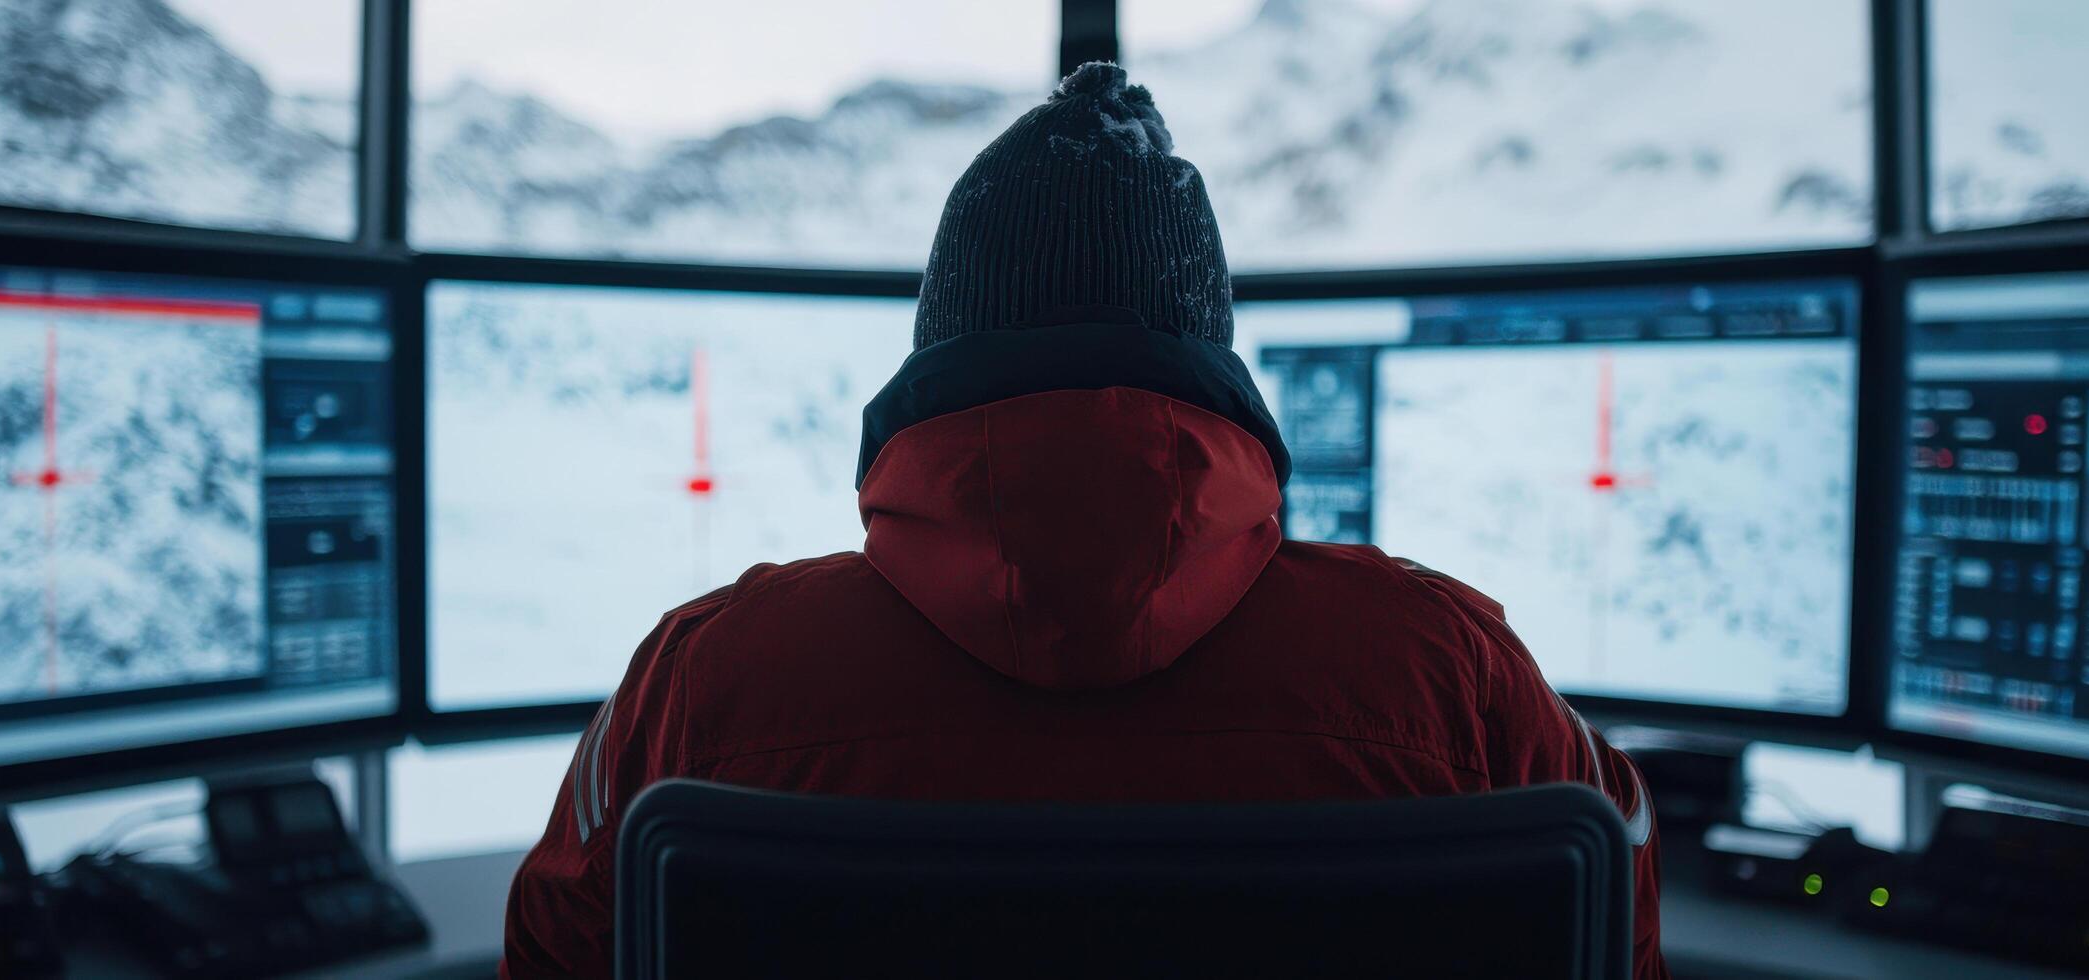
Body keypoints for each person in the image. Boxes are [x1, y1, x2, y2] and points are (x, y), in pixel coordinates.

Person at [502, 62, 1668, 979]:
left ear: (935, 359)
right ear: (1212, 368)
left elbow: (553, 958)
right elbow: (1610, 915)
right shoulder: (1450, 673)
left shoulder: (698, 687)